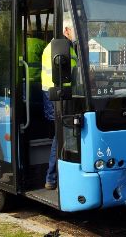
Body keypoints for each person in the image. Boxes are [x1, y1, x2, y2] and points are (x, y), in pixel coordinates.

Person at [41, 14, 77, 190]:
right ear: (66, 30)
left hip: (63, 95)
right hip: (56, 97)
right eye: (74, 30)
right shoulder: (59, 48)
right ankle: (51, 178)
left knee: (62, 135)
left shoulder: (66, 46)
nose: (76, 33)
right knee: (61, 135)